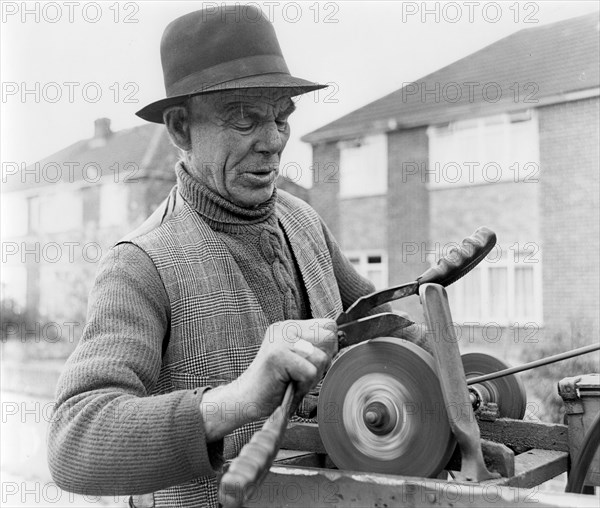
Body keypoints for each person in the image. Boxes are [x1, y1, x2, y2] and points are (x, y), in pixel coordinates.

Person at [48, 5, 417, 507]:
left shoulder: (303, 220)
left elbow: (378, 323)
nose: (272, 142)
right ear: (181, 129)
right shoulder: (140, 265)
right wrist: (239, 399)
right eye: (244, 120)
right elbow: (73, 442)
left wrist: (441, 354)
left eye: (281, 117)